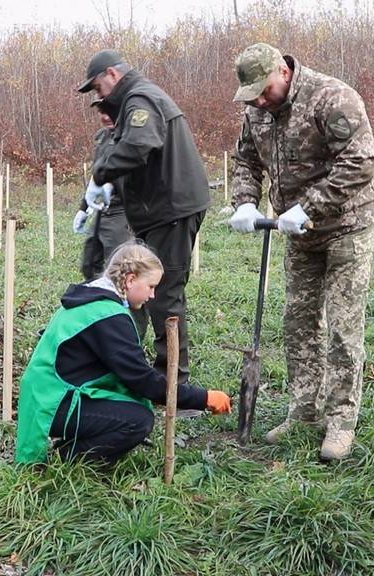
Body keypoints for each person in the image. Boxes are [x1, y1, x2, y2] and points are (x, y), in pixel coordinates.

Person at [227, 43, 374, 461]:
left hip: (345, 225)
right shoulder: (256, 110)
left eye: (264, 90)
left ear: (283, 70)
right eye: (252, 95)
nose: (259, 100)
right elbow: (245, 160)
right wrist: (244, 200)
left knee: (342, 325)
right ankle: (304, 411)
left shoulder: (331, 97)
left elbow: (360, 162)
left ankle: (341, 420)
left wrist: (309, 206)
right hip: (297, 233)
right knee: (298, 320)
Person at [15, 242, 231, 465]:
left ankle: (72, 446)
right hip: (53, 404)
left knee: (131, 404)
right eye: (151, 286)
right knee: (137, 420)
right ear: (130, 280)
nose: (153, 295)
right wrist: (203, 398)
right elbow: (143, 381)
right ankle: (69, 460)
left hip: (45, 395)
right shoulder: (108, 316)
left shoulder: (92, 298)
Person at [78, 49, 211, 388]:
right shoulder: (134, 102)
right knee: (147, 288)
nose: (98, 96)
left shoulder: (140, 99)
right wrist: (105, 189)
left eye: (97, 87)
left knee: (163, 294)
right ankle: (150, 373)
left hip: (173, 211)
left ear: (112, 74)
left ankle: (174, 386)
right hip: (161, 211)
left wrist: (100, 175)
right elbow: (139, 156)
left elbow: (139, 145)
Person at [75, 99, 135, 282]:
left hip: (124, 212)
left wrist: (112, 185)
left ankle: (127, 309)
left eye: (110, 112)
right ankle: (96, 305)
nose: (105, 117)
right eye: (101, 112)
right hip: (103, 211)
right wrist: (83, 208)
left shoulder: (131, 137)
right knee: (90, 263)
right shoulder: (103, 137)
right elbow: (96, 176)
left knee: (119, 269)